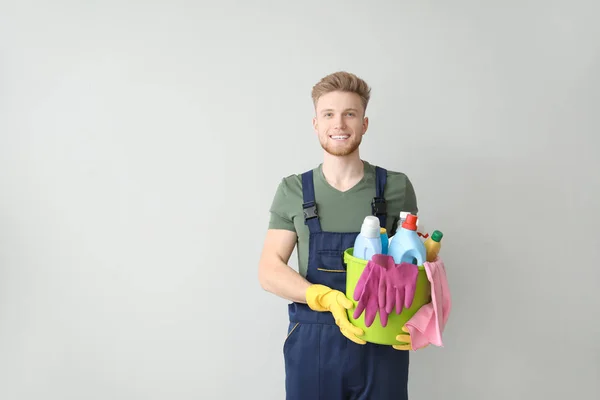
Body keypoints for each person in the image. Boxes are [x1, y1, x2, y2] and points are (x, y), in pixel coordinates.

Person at [258, 71, 419, 400]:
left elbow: (416, 265)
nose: (339, 124)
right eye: (329, 114)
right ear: (316, 123)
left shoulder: (397, 188)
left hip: (381, 340)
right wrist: (324, 298)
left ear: (364, 123)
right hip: (313, 345)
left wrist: (426, 313)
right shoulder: (293, 190)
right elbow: (269, 269)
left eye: (350, 114)